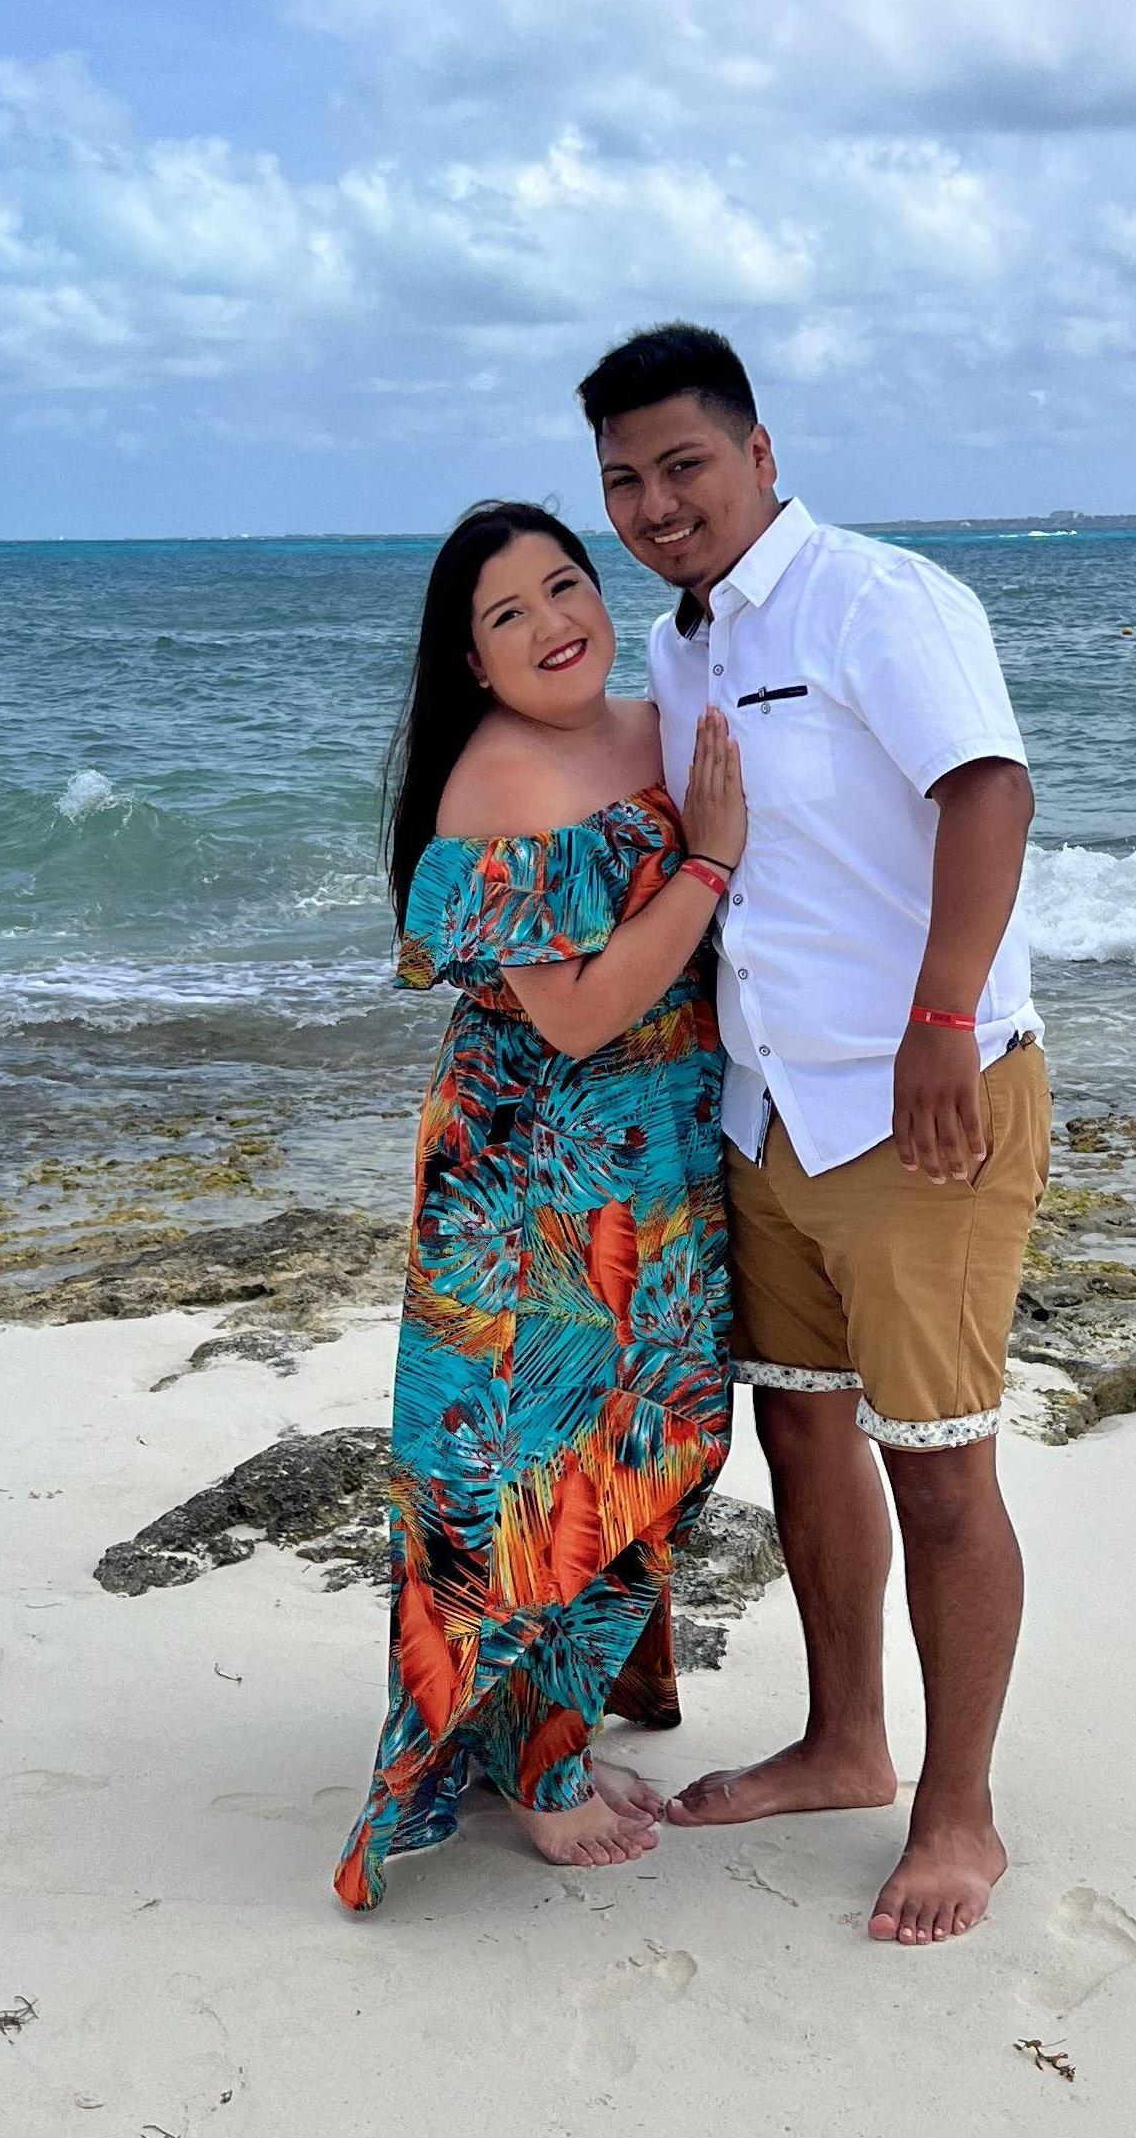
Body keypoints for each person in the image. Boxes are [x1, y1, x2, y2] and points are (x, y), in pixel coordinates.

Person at [580, 324, 1048, 1947]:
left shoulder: (878, 599)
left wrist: (942, 1020)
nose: (657, 504)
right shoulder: (679, 646)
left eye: (685, 465)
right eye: (625, 481)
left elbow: (988, 792)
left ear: (761, 453)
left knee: (942, 1464)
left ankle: (960, 1813)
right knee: (802, 1433)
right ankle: (846, 1741)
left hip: (920, 1098)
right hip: (764, 1105)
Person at [333, 499, 749, 1910]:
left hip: (658, 1155)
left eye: (565, 585)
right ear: (475, 662)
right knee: (534, 1468)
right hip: (529, 1177)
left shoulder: (657, 724)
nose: (552, 624)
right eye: (507, 615)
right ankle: (539, 1769)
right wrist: (708, 861)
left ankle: (542, 1727)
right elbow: (572, 1015)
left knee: (647, 1440)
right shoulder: (498, 780)